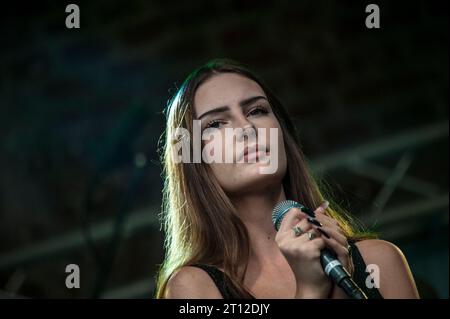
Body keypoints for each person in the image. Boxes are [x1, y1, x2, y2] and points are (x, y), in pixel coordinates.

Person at [155, 58, 420, 299]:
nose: (247, 129)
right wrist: (311, 290)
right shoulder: (193, 288)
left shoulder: (381, 261)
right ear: (191, 157)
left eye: (256, 111)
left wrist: (341, 288)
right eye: (215, 124)